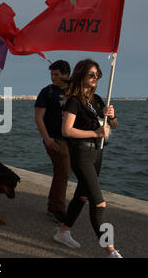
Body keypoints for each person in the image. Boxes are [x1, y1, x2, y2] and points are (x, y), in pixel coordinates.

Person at [53, 59, 122, 258]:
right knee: (99, 204)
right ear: (81, 75)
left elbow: (113, 126)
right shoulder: (74, 101)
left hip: (97, 154)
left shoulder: (98, 99)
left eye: (97, 74)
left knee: (82, 196)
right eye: (91, 74)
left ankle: (63, 231)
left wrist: (112, 116)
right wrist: (95, 133)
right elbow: (66, 130)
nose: (95, 78)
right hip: (82, 154)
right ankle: (110, 250)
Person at [34, 60, 71, 223]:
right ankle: (58, 209)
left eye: (56, 74)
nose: (53, 77)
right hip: (55, 138)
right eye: (51, 74)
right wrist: (47, 138)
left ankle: (52, 205)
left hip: (72, 139)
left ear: (66, 74)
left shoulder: (74, 92)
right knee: (63, 172)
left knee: (60, 172)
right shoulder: (47, 92)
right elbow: (38, 117)